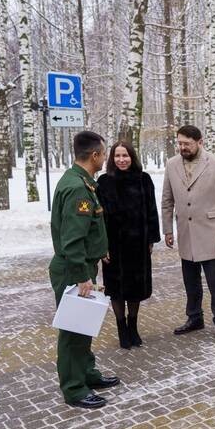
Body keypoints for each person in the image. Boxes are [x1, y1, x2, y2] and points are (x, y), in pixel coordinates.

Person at [49, 131, 120, 409]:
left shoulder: (79, 181)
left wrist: (99, 247)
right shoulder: (79, 187)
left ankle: (87, 373)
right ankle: (74, 388)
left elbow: (85, 229)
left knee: (83, 326)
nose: (104, 158)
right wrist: (82, 277)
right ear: (94, 156)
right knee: (72, 331)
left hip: (81, 266)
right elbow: (72, 239)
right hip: (73, 270)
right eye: (103, 153)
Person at [161, 125, 215, 342]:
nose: (183, 147)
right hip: (186, 233)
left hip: (211, 233)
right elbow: (167, 200)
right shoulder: (172, 164)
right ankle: (194, 318)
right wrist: (167, 229)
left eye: (187, 143)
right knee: (190, 281)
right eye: (180, 143)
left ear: (200, 142)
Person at [97, 141, 160, 350]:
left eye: (125, 156)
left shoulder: (144, 179)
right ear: (112, 159)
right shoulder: (104, 182)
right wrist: (101, 245)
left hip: (138, 244)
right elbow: (98, 219)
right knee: (116, 290)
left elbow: (152, 210)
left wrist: (151, 238)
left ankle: (133, 326)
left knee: (136, 288)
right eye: (117, 156)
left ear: (132, 157)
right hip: (113, 245)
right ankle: (121, 328)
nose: (122, 160)